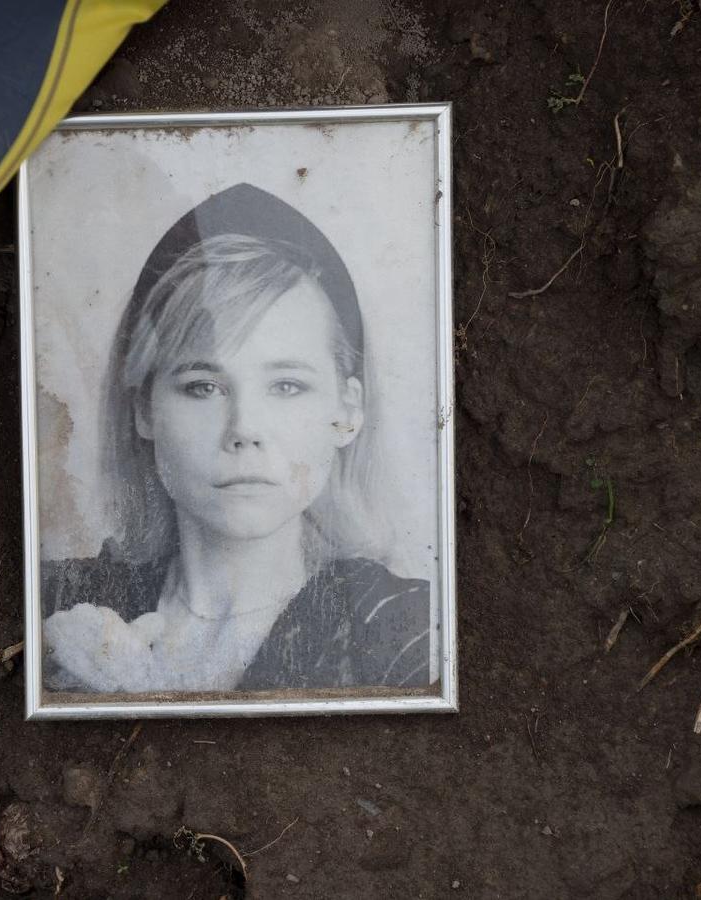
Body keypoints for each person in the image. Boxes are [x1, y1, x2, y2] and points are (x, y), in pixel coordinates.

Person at [41, 183, 431, 694]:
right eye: (203, 387)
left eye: (286, 386)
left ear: (347, 411)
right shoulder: (56, 608)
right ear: (144, 410)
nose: (244, 429)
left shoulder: (409, 630)